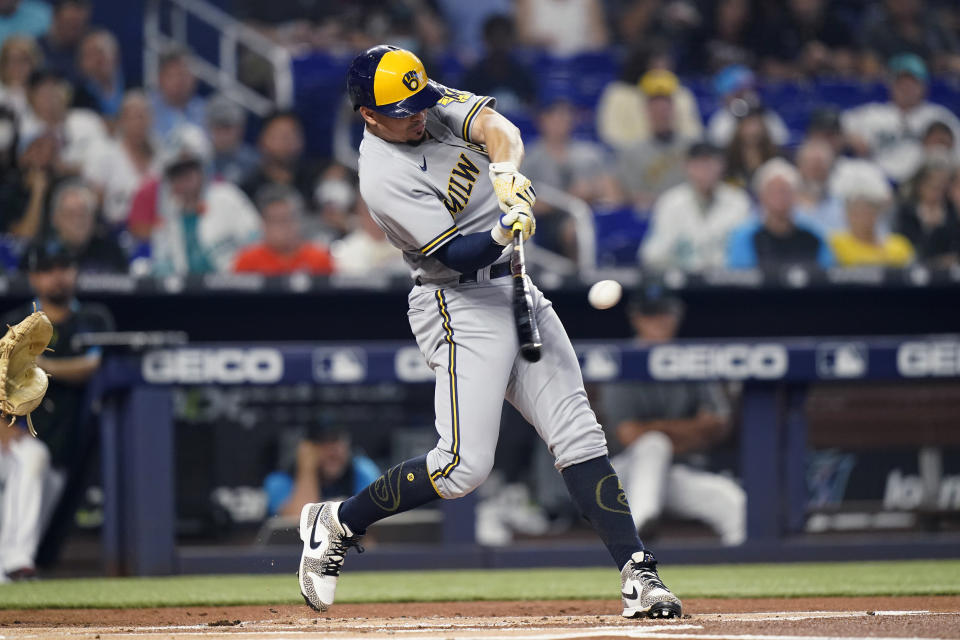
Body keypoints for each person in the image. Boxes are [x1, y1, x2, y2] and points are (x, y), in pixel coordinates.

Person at [296, 44, 682, 620]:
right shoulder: (381, 177)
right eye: (403, 111)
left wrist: (503, 172)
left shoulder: (422, 102)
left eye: (420, 103)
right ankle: (338, 522)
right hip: (457, 301)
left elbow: (499, 127)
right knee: (461, 467)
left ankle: (639, 574)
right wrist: (505, 227)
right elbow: (454, 257)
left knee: (578, 433)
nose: (419, 114)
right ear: (369, 116)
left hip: (515, 287)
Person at [2, 240, 114, 573]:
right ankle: (14, 562)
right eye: (47, 271)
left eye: (64, 268)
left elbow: (90, 367)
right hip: (13, 437)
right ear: (34, 278)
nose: (57, 278)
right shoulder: (14, 323)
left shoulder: (92, 318)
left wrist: (38, 366)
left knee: (34, 509)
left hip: (61, 446)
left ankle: (10, 573)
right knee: (32, 460)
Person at [603, 286, 745, 546]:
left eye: (664, 314)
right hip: (625, 475)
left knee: (732, 502)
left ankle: (744, 579)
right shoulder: (622, 360)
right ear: (636, 318)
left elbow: (717, 427)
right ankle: (639, 534)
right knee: (653, 446)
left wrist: (656, 427)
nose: (658, 321)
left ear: (677, 315)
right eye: (650, 315)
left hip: (677, 473)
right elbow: (630, 436)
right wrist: (690, 430)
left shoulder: (691, 359)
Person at [127, 125, 261, 275]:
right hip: (189, 293)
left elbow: (256, 239)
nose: (184, 178)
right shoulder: (168, 214)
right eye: (176, 173)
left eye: (190, 169)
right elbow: (163, 262)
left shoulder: (226, 196)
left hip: (233, 286)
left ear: (202, 170)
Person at [842, 54, 960, 184]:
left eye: (912, 83)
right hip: (879, 181)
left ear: (923, 87)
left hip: (924, 185)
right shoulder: (873, 113)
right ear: (891, 86)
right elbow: (837, 124)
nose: (906, 88)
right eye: (901, 83)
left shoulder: (939, 116)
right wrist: (850, 137)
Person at [640, 141, 750, 272]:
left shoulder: (739, 202)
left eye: (710, 164)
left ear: (722, 166)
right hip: (682, 282)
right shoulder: (670, 202)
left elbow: (746, 254)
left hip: (728, 283)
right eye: (698, 165)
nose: (704, 171)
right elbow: (652, 255)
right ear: (687, 167)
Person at [727, 158, 834, 269]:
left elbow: (828, 275)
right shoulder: (745, 237)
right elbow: (740, 279)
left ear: (796, 196)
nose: (780, 197)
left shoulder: (814, 236)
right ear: (761, 196)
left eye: (785, 191)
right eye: (773, 191)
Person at [595, 42, 702, 152]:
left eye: (665, 65)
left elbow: (692, 132)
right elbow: (611, 133)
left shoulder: (681, 94)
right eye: (656, 65)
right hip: (631, 156)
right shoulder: (618, 93)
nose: (662, 70)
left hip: (676, 155)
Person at [265, 424, 380, 518]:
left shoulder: (361, 471)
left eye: (336, 441)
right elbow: (297, 523)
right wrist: (307, 469)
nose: (332, 452)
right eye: (323, 443)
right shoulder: (280, 480)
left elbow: (378, 519)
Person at [615, 70, 691, 210]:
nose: (662, 110)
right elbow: (635, 197)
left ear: (673, 107)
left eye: (666, 104)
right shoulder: (632, 153)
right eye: (655, 104)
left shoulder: (692, 146)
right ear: (646, 109)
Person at [83, 90, 156, 227]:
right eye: (134, 117)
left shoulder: (160, 156)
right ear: (122, 120)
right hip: (116, 228)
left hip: (153, 228)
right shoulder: (105, 155)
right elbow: (94, 204)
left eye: (144, 116)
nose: (139, 123)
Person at [19, 68, 106, 174]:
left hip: (93, 182)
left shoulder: (88, 120)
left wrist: (75, 168)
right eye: (43, 92)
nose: (50, 97)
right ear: (31, 97)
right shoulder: (25, 131)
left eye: (54, 89)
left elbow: (104, 156)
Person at [829, 160, 913, 267]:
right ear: (846, 214)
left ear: (878, 212)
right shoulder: (835, 244)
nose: (862, 217)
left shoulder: (899, 246)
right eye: (855, 211)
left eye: (868, 210)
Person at [233, 185, 333, 275]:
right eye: (276, 221)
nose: (283, 227)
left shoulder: (319, 259)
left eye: (287, 219)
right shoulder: (247, 261)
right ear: (264, 224)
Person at [460, 15, 536, 114]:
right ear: (486, 40)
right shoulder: (472, 78)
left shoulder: (524, 75)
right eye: (495, 39)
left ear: (512, 41)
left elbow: (531, 109)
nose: (499, 45)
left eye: (503, 39)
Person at [240, 111, 316, 209]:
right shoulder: (247, 190)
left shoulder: (313, 182)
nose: (288, 142)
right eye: (281, 136)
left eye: (293, 135)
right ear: (261, 140)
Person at [47, 180, 128, 273]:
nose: (78, 222)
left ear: (93, 218)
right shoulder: (43, 253)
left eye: (83, 214)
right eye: (71, 215)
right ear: (56, 219)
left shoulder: (111, 251)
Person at [706, 65, 789, 148]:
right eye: (739, 93)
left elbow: (781, 141)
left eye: (750, 90)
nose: (747, 96)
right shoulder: (721, 120)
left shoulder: (767, 115)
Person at [896, 160, 960, 267]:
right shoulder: (907, 212)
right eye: (932, 187)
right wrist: (929, 229)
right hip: (917, 266)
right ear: (920, 186)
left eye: (941, 188)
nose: (936, 192)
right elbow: (905, 245)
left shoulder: (951, 211)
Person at [330, 196, 408, 276]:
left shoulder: (407, 246)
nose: (375, 220)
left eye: (381, 214)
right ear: (361, 214)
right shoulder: (346, 251)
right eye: (369, 213)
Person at [148, 45, 205, 139]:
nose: (180, 81)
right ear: (160, 78)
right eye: (175, 75)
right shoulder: (145, 110)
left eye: (185, 74)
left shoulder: (205, 111)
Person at [514, 0, 608, 57]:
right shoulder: (528, 2)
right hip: (541, 66)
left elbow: (601, 38)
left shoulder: (589, 2)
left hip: (580, 65)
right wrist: (538, 41)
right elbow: (521, 37)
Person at [793, 138, 846, 234]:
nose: (815, 174)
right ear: (799, 167)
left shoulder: (843, 208)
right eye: (811, 166)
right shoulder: (786, 205)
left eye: (820, 168)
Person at [206, 94, 258, 185]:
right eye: (217, 127)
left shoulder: (253, 162)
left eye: (227, 127)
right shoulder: (200, 157)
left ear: (240, 129)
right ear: (209, 128)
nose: (222, 134)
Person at [723, 107, 781, 189]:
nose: (752, 131)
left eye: (755, 125)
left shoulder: (774, 154)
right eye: (747, 125)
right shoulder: (729, 156)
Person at [74, 29, 124, 118]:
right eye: (91, 54)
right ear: (81, 63)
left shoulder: (135, 88)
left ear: (116, 56)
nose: (98, 60)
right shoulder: (77, 99)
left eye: (101, 52)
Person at [36, 0, 89, 81]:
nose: (73, 29)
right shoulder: (36, 49)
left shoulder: (88, 53)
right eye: (68, 22)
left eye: (78, 25)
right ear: (55, 17)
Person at [0, 34, 41, 122]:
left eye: (23, 60)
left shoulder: (42, 94)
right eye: (12, 61)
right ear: (3, 64)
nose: (17, 66)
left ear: (33, 63)